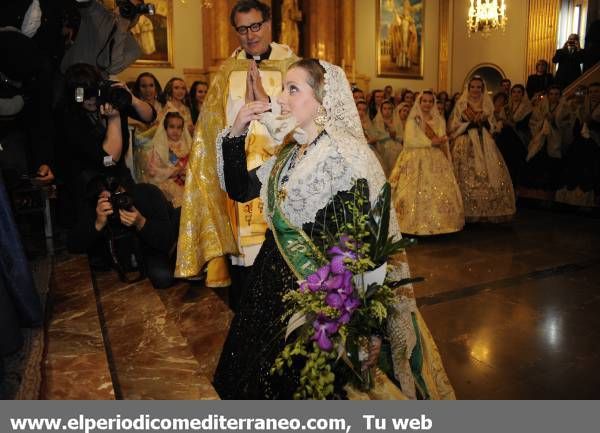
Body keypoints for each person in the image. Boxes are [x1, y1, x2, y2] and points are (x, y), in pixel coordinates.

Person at [212, 58, 454, 400]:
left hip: (312, 307)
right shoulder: (290, 153)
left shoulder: (346, 157)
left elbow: (363, 249)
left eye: (292, 89)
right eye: (283, 88)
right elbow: (240, 188)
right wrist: (236, 131)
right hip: (267, 292)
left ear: (323, 99)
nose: (281, 98)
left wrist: (366, 328)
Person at [176, 0, 299, 294]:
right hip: (240, 180)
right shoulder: (227, 73)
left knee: (284, 269)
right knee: (247, 275)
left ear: (269, 23)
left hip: (282, 177)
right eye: (242, 29)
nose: (250, 35)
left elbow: (305, 122)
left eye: (255, 26)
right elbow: (209, 133)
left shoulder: (293, 67)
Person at [389, 91, 464, 235]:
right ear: (420, 102)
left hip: (436, 158)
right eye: (425, 101)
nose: (427, 104)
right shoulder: (413, 120)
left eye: (430, 101)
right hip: (415, 157)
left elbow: (442, 138)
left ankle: (440, 224)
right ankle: (409, 224)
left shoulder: (439, 120)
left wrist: (445, 149)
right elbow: (410, 141)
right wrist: (431, 142)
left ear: (433, 103)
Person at [449, 76, 516, 222]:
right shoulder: (461, 104)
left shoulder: (487, 104)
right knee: (466, 175)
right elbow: (454, 125)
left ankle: (485, 211)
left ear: (483, 89)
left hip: (485, 142)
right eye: (472, 87)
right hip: (465, 141)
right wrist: (468, 125)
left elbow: (492, 126)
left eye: (478, 87)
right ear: (468, 88)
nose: (475, 90)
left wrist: (485, 124)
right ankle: (466, 211)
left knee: (489, 174)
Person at [556, 83, 600, 206]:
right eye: (591, 92)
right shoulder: (583, 107)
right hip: (581, 142)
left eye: (596, 91)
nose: (594, 94)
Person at [522, 85, 570, 191]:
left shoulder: (565, 108)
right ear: (548, 95)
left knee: (553, 163)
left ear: (560, 95)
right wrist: (543, 121)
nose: (553, 96)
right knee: (538, 161)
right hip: (541, 137)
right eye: (551, 94)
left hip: (556, 138)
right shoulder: (541, 106)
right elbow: (533, 121)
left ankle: (551, 187)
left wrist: (554, 121)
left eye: (556, 94)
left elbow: (567, 124)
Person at [146, 112, 191, 208]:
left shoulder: (187, 145)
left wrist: (186, 171)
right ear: (165, 128)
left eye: (179, 127)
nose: (175, 131)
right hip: (166, 183)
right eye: (172, 127)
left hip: (186, 182)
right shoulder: (160, 147)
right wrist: (172, 172)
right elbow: (152, 170)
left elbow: (193, 164)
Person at [494, 84, 532, 186]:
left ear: (523, 94)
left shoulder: (527, 108)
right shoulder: (506, 108)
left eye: (519, 92)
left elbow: (525, 125)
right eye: (514, 92)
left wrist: (511, 124)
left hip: (520, 137)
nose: (516, 94)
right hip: (506, 137)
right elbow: (501, 121)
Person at [373, 100, 403, 176]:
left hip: (396, 145)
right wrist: (389, 135)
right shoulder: (376, 121)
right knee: (389, 149)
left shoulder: (397, 121)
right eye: (385, 108)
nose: (387, 111)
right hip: (381, 146)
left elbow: (401, 136)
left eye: (389, 109)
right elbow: (376, 137)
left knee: (397, 150)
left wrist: (395, 136)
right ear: (381, 110)